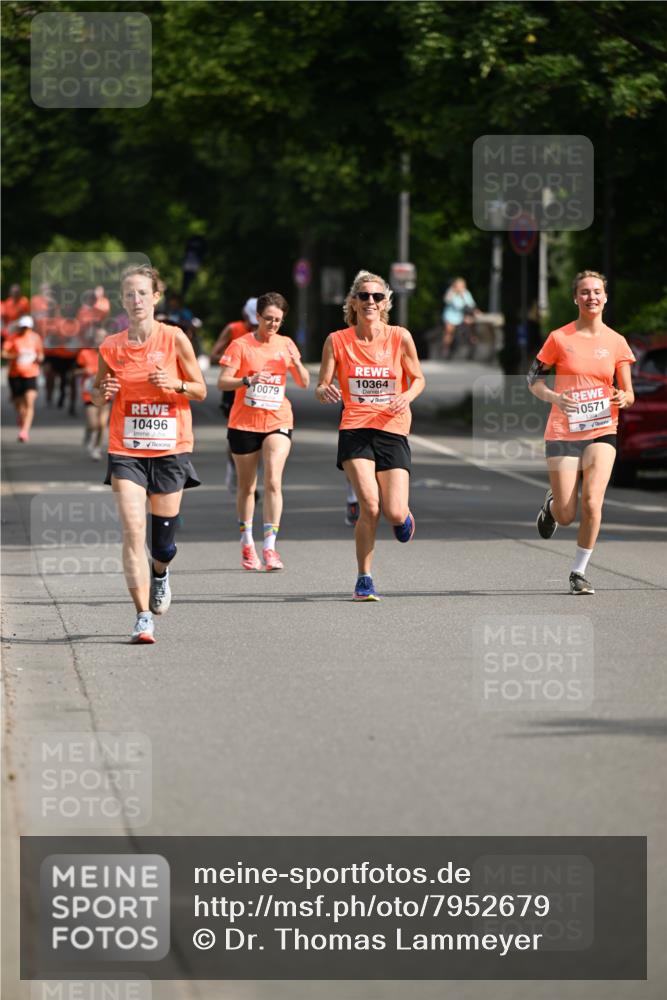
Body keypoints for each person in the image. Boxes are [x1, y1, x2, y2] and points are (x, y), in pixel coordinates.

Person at [92, 265, 207, 644]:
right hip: (126, 450)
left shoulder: (174, 338)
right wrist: (102, 393)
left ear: (156, 297)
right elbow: (96, 393)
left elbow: (200, 390)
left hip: (170, 448)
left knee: (162, 545)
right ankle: (142, 616)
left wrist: (174, 384)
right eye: (129, 294)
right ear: (122, 300)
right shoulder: (111, 346)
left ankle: (160, 571)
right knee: (132, 531)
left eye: (143, 292)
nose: (136, 299)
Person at [316, 269, 426, 600]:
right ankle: (364, 579)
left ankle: (403, 516)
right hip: (355, 428)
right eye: (364, 296)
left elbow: (418, 378)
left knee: (394, 511)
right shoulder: (337, 340)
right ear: (353, 302)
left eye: (377, 296)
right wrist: (324, 391)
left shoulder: (399, 337)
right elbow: (322, 384)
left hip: (393, 427)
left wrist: (407, 395)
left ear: (385, 303)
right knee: (370, 504)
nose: (370, 301)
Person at [527, 270, 636, 595]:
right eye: (585, 292)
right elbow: (533, 380)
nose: (592, 297)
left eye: (597, 291)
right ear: (576, 298)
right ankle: (551, 506)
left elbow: (629, 393)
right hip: (563, 431)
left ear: (605, 297)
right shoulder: (559, 338)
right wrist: (555, 397)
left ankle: (579, 572)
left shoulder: (616, 341)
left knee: (592, 502)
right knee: (566, 513)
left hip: (602, 428)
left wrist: (623, 398)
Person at [218, 292, 309, 571]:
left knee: (273, 480)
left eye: (278, 320)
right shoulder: (241, 345)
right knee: (247, 487)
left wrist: (296, 362)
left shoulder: (286, 344)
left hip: (278, 419)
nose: (273, 324)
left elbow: (304, 383)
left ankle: (270, 547)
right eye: (268, 319)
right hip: (244, 423)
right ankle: (247, 542)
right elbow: (223, 382)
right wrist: (248, 380)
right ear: (257, 317)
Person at [210, 297, 259, 492]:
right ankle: (234, 467)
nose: (255, 327)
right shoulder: (233, 329)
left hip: (258, 388)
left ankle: (250, 477)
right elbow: (214, 355)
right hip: (234, 387)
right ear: (245, 315)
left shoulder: (269, 330)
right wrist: (235, 360)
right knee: (237, 434)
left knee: (259, 434)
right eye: (252, 323)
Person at [2, 315, 44, 441]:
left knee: (29, 401)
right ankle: (22, 417)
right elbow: (3, 353)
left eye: (27, 327)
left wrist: (39, 358)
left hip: (31, 374)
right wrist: (15, 356)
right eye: (23, 327)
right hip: (15, 375)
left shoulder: (35, 338)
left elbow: (40, 354)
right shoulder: (13, 338)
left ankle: (24, 431)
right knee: (19, 405)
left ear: (31, 327)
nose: (25, 330)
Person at [75, 325, 110, 460]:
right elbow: (74, 372)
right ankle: (89, 432)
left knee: (102, 424)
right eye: (97, 337)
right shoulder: (84, 353)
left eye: (102, 337)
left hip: (105, 393)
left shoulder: (111, 354)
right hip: (89, 394)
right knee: (93, 424)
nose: (99, 340)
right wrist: (83, 371)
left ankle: (96, 448)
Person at [442, 277, 479, 358]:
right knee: (449, 331)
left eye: (462, 285)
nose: (460, 287)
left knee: (471, 322)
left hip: (462, 316)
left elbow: (471, 305)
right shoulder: (451, 292)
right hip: (450, 316)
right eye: (458, 285)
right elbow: (447, 300)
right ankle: (446, 349)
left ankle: (472, 341)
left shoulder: (466, 293)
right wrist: (454, 292)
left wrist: (463, 296)